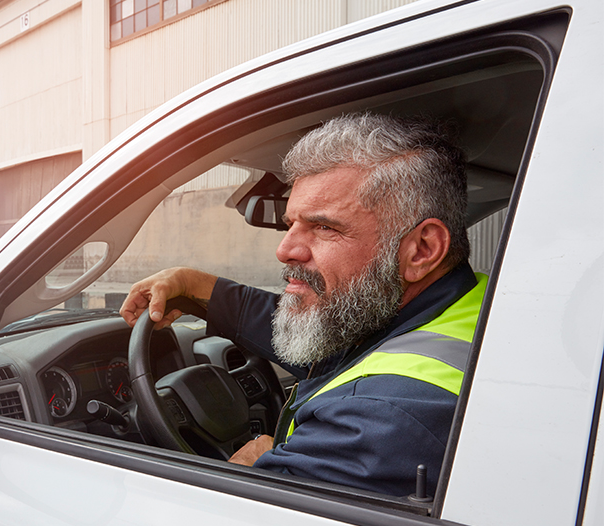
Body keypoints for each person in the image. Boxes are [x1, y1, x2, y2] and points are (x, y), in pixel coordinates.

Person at [120, 113, 485, 497]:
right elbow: (332, 339)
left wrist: (256, 469)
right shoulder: (464, 306)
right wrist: (195, 286)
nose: (284, 250)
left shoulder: (377, 419)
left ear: (422, 250)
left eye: (325, 227)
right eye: (290, 224)